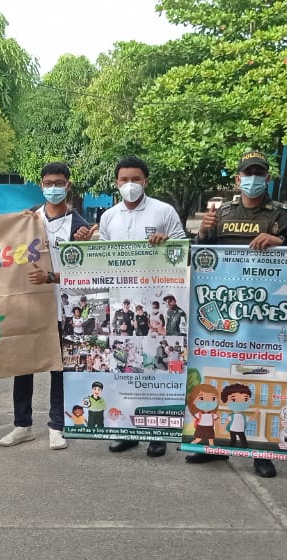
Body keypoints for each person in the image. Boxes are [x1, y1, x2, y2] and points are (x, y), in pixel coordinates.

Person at [191, 150, 287, 475]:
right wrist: (202, 233)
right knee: (221, 378)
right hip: (224, 312)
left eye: (260, 173)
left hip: (263, 314)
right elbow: (201, 257)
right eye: (247, 173)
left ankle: (262, 452)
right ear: (238, 179)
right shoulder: (221, 213)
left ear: (267, 178)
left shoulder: (284, 215)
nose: (253, 179)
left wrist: (279, 241)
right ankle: (216, 446)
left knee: (256, 377)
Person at [1, 161, 94, 451]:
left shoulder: (79, 226)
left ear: (68, 185)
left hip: (65, 308)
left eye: (59, 183)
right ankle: (22, 425)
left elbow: (86, 272)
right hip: (30, 306)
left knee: (60, 368)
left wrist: (83, 247)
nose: (53, 188)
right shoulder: (27, 219)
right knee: (24, 366)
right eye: (48, 183)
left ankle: (57, 425)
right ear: (41, 185)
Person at [98, 156, 188, 458]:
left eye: (135, 179)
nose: (129, 185)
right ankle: (126, 430)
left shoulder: (164, 211)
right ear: (116, 183)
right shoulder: (109, 217)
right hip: (121, 304)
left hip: (153, 305)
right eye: (123, 180)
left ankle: (157, 433)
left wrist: (167, 243)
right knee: (125, 369)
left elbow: (182, 253)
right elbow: (101, 257)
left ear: (146, 181)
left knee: (154, 369)